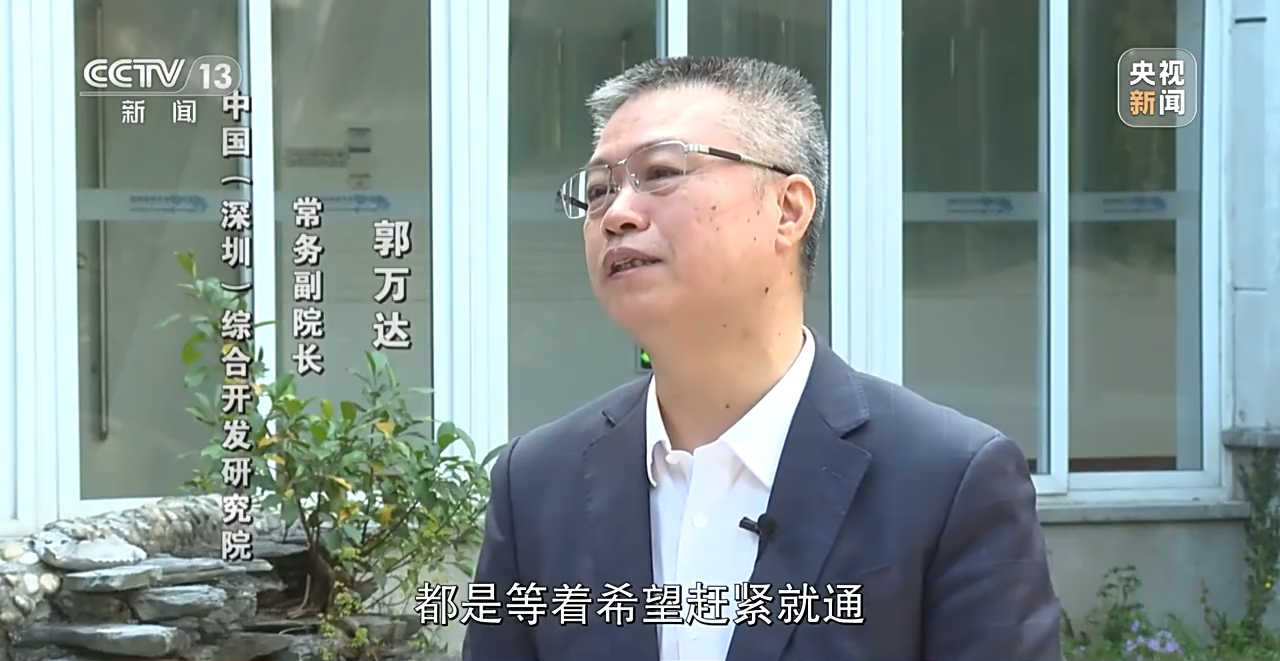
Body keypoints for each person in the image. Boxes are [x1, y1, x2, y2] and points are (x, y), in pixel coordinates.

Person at [464, 55, 1062, 661]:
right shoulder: (537, 482)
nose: (617, 214)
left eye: (662, 172)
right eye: (598, 191)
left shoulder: (947, 480)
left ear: (788, 210)